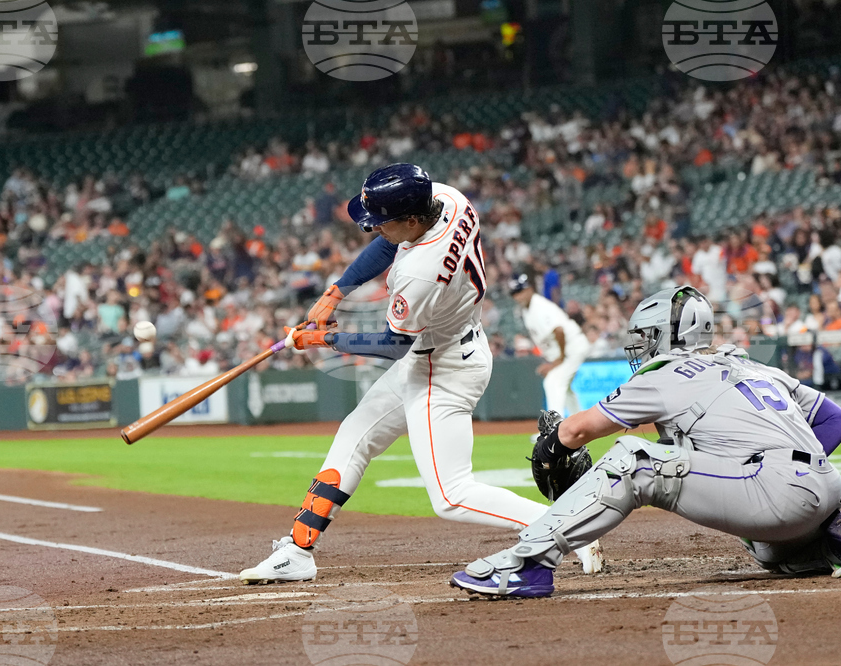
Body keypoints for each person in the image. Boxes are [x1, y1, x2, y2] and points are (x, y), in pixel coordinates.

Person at [239, 163, 603, 584]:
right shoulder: (447, 198)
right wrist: (336, 291)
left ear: (411, 218)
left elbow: (395, 344)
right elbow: (390, 244)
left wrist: (323, 341)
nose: (373, 229)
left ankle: (568, 528)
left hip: (443, 367)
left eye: (382, 221)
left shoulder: (420, 274)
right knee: (353, 436)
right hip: (444, 347)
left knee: (451, 496)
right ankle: (298, 551)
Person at [450, 286, 841, 598]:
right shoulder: (746, 363)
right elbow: (835, 420)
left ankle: (526, 564)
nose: (640, 344)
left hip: (776, 493)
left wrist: (550, 446)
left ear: (668, 334)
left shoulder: (664, 374)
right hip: (823, 487)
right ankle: (825, 544)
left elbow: (577, 430)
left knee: (635, 458)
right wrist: (796, 471)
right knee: (765, 548)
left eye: (646, 335)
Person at [510, 271, 591, 415]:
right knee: (564, 389)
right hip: (565, 350)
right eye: (515, 293)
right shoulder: (526, 310)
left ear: (530, 289)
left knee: (553, 382)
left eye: (521, 291)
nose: (518, 296)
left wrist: (558, 359)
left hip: (572, 346)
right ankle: (578, 422)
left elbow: (559, 331)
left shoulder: (540, 306)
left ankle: (553, 428)